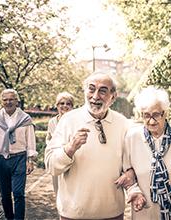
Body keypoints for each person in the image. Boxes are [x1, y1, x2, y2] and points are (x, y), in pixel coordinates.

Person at [45, 71, 136, 220]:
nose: (95, 96)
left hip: (112, 213)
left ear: (113, 97)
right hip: (74, 214)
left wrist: (131, 172)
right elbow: (51, 166)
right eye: (91, 89)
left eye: (103, 91)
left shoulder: (123, 123)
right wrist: (70, 148)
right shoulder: (68, 120)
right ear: (85, 91)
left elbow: (134, 161)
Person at [123, 86, 171, 220]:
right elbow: (125, 172)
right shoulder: (132, 137)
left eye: (156, 115)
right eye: (146, 115)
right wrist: (134, 191)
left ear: (165, 113)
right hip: (144, 210)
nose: (151, 121)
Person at [0, 89, 37, 220]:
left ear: (17, 101)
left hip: (19, 158)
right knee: (5, 195)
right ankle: (9, 218)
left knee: (18, 193)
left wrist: (30, 160)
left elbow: (30, 140)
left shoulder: (25, 119)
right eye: (5, 99)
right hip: (0, 160)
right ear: (1, 101)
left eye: (11, 99)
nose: (8, 102)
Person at [46, 91, 74, 195]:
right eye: (62, 103)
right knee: (57, 189)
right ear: (57, 105)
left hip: (71, 157)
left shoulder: (75, 120)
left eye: (68, 103)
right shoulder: (52, 122)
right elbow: (48, 138)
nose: (65, 106)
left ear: (72, 106)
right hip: (56, 158)